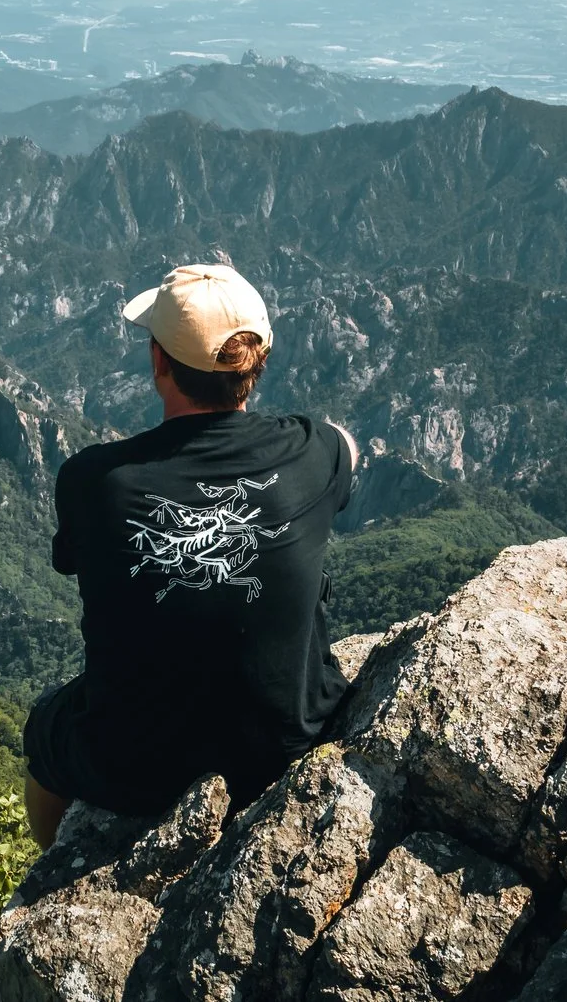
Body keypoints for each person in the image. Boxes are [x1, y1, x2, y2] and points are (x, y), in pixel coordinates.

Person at [23, 261, 359, 849]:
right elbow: (350, 450)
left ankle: (54, 871)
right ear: (255, 361)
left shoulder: (95, 479)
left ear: (159, 362)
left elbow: (75, 558)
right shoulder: (313, 452)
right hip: (282, 750)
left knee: (44, 728)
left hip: (133, 766)